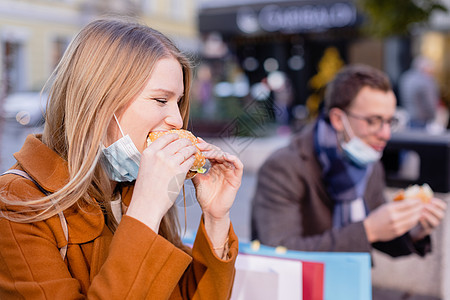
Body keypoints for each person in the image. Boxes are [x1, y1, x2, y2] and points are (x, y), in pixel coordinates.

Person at [0, 18, 243, 299]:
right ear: (99, 100)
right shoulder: (16, 202)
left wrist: (216, 217)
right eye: (161, 100)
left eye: (178, 101)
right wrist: (146, 211)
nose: (177, 120)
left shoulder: (132, 185)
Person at [251, 64, 446, 258]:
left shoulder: (369, 161)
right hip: (298, 287)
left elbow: (380, 232)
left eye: (389, 121)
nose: (385, 134)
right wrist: (367, 230)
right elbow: (278, 250)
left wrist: (414, 232)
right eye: (373, 121)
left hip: (352, 282)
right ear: (337, 119)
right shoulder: (283, 167)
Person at [398, 56, 440, 129]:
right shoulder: (425, 80)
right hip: (422, 119)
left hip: (409, 116)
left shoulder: (406, 77)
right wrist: (434, 116)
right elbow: (429, 103)